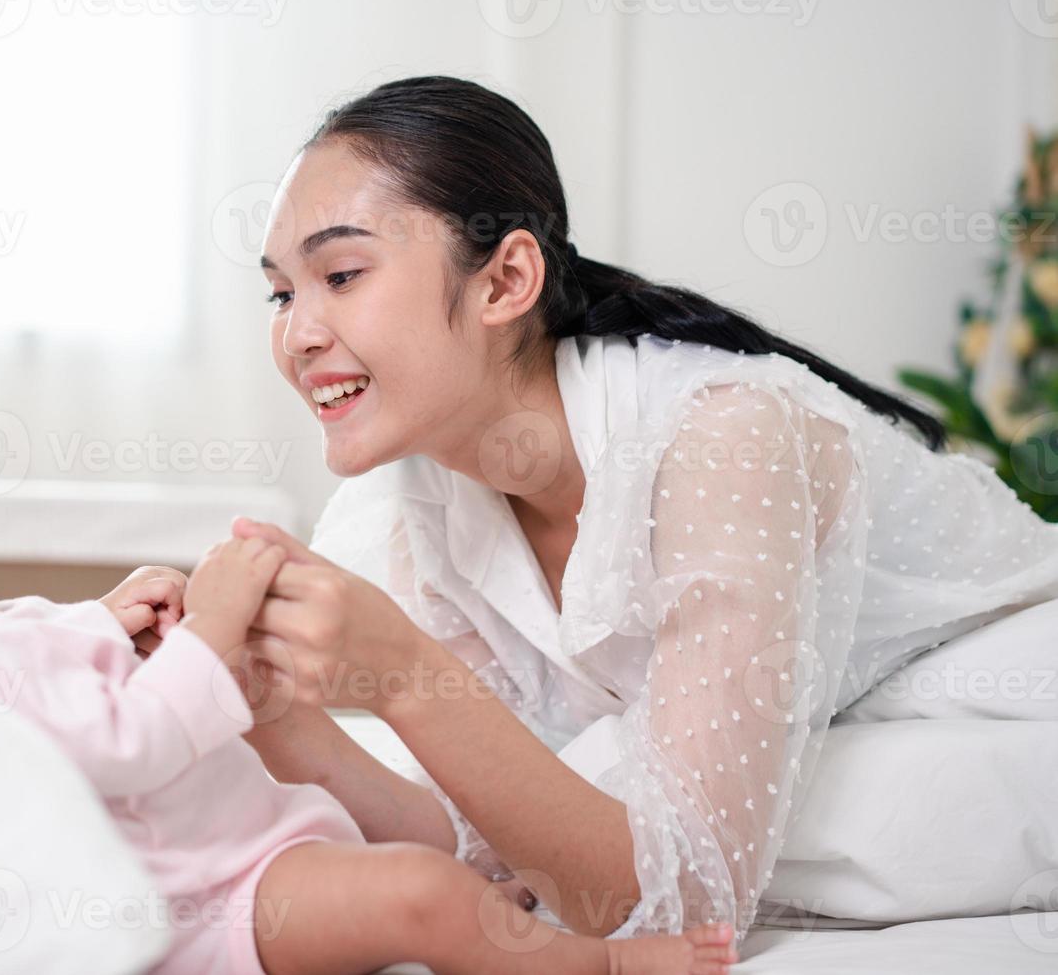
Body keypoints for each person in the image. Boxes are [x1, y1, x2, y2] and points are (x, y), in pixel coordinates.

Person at [236, 74, 1058, 946]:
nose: (298, 335)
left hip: (1004, 696)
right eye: (283, 294)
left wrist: (404, 674)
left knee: (816, 802)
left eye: (342, 274)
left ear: (506, 279)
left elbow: (687, 912)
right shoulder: (419, 507)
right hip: (831, 711)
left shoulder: (721, 440)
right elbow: (491, 844)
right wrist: (272, 713)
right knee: (607, 785)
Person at [0, 428, 739, 975]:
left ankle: (527, 903)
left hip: (252, 841)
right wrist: (213, 626)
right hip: (212, 904)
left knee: (432, 853)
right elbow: (127, 741)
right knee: (421, 894)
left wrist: (125, 610)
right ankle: (599, 962)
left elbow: (66, 666)